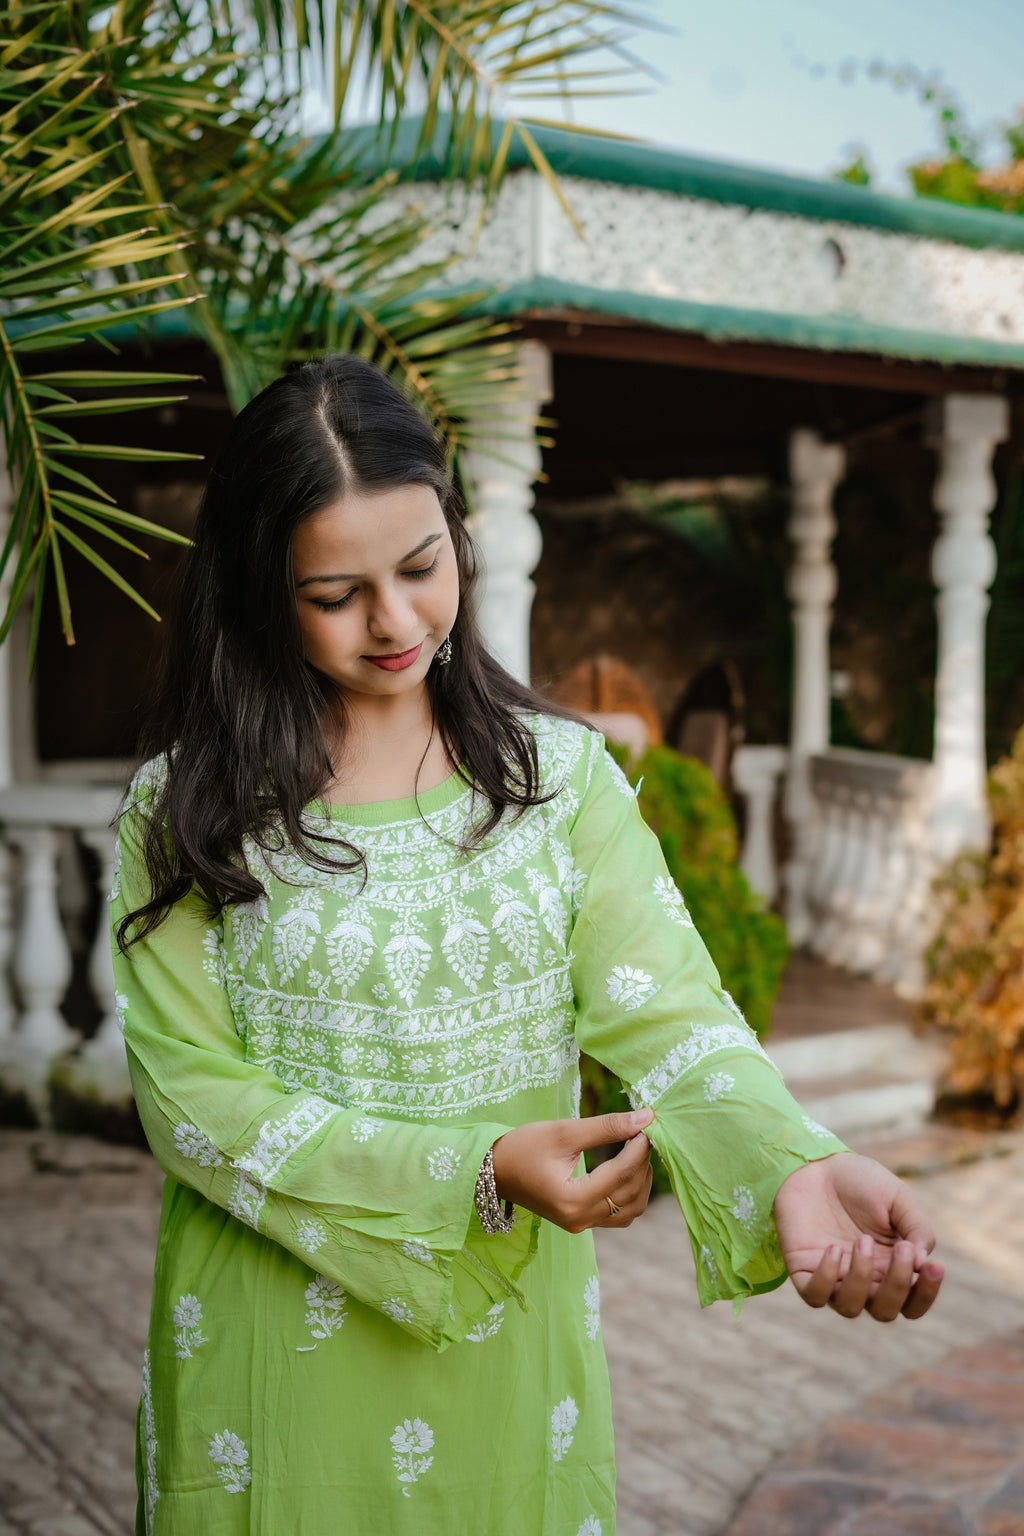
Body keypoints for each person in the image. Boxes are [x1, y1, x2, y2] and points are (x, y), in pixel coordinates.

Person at [111, 354, 944, 1536]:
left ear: (457, 537)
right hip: (269, 1371)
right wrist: (479, 1170)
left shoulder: (555, 783)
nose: (395, 622)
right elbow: (190, 1099)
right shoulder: (186, 808)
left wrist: (793, 1165)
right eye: (336, 593)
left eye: (420, 567)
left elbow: (669, 1012)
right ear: (258, 592)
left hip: (506, 1359)